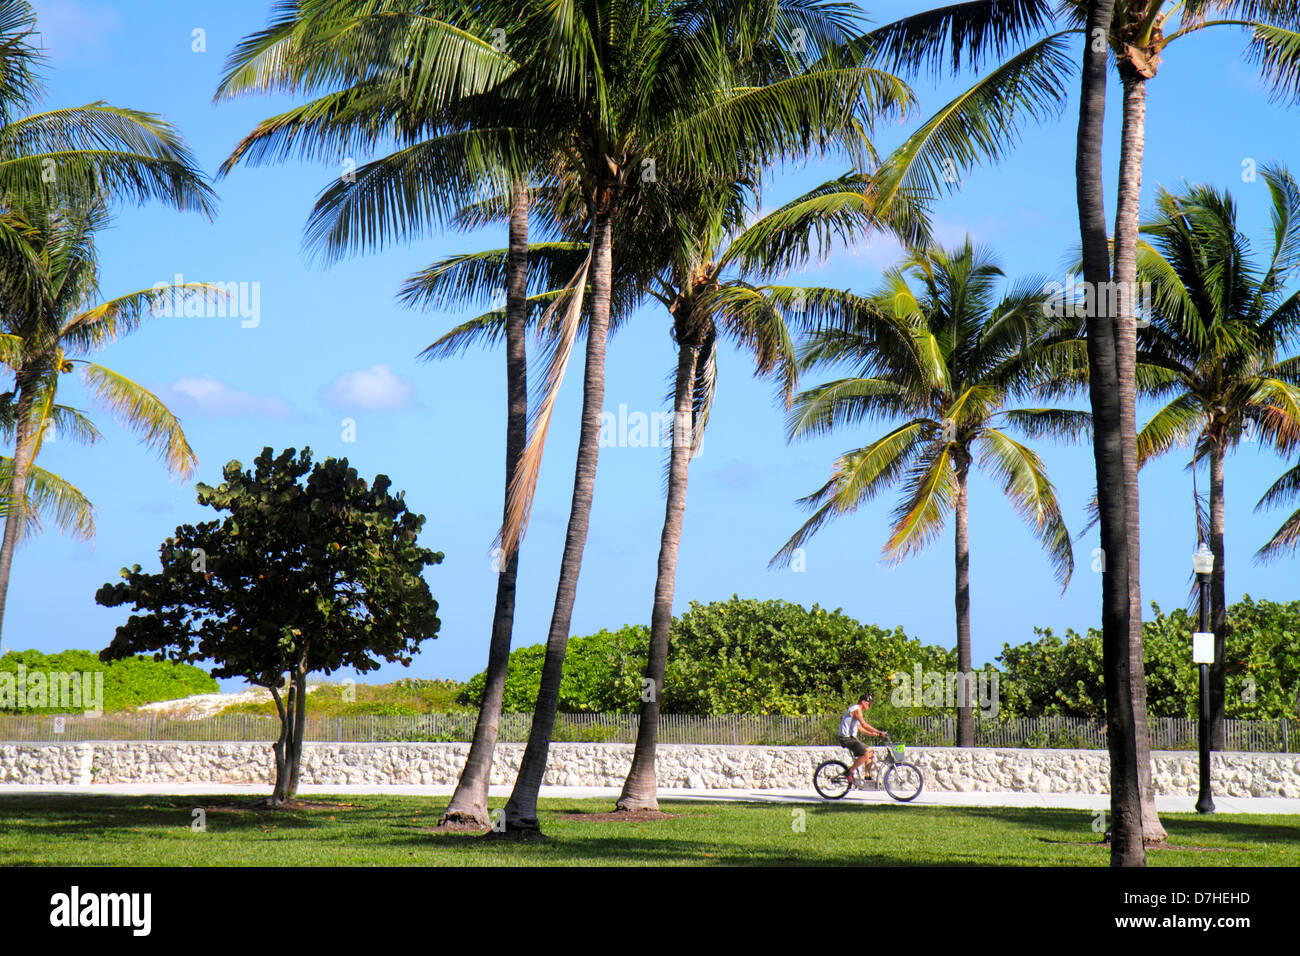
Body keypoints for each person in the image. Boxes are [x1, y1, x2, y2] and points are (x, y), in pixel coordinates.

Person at [838, 692, 887, 783]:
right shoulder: (856, 709)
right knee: (865, 754)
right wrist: (880, 732)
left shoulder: (857, 710)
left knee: (870, 752)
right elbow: (864, 724)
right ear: (863, 702)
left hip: (852, 738)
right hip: (846, 739)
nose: (869, 705)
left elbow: (859, 728)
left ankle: (867, 777)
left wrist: (871, 734)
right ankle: (849, 772)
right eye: (869, 703)